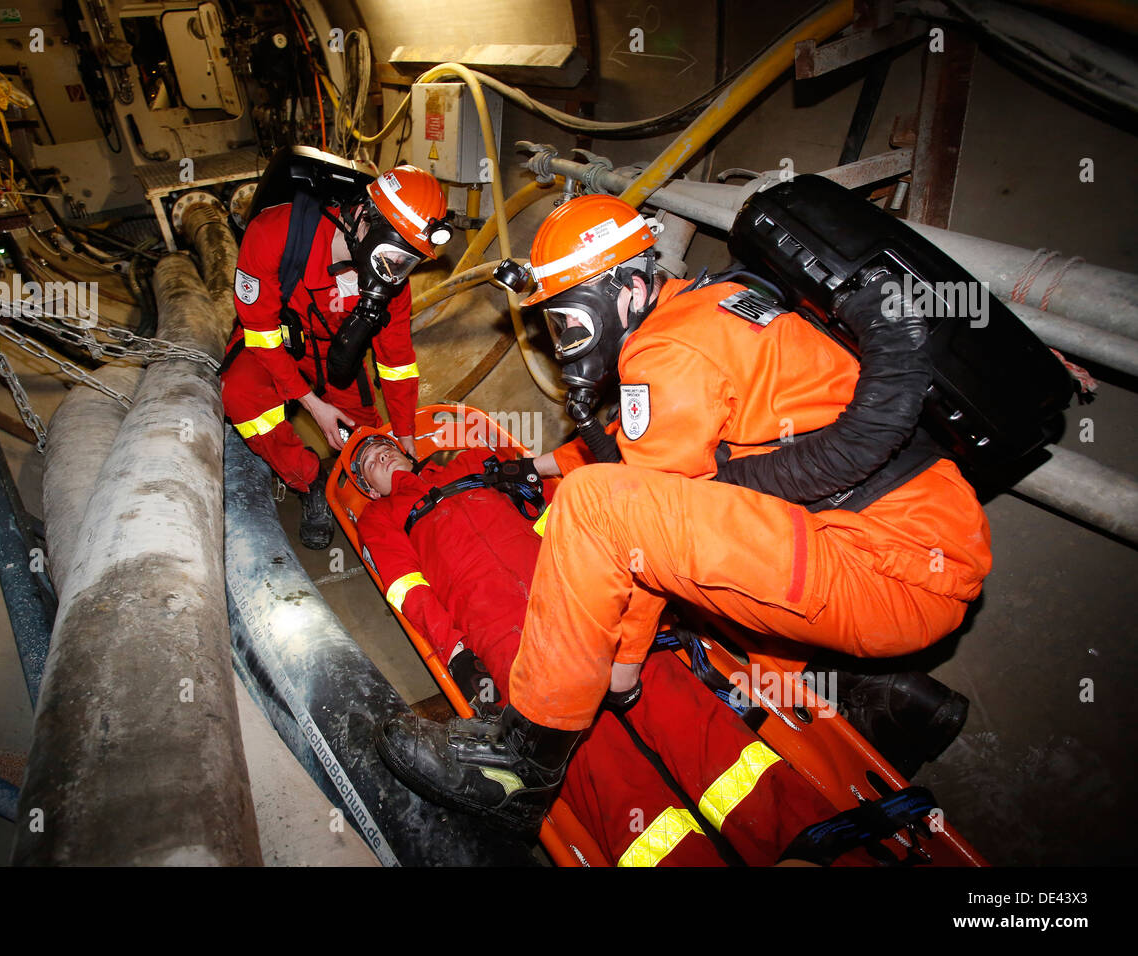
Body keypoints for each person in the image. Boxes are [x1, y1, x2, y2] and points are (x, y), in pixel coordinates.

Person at [375, 193, 992, 835]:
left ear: (629, 286)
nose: (565, 345)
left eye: (568, 321)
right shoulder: (705, 309)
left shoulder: (663, 351)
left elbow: (632, 509)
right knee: (672, 515)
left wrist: (624, 659)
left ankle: (522, 764)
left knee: (593, 508)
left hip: (886, 570)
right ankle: (840, 699)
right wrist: (536, 469)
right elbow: (647, 447)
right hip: (910, 548)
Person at [350, 429, 880, 866]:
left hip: (575, 587)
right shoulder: (381, 518)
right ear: (366, 488)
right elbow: (410, 591)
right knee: (595, 762)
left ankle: (814, 844)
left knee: (679, 706)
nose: (375, 449)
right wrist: (461, 656)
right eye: (363, 461)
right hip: (503, 632)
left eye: (383, 443)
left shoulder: (471, 459)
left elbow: (563, 501)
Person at [221, 164, 450, 549]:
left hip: (335, 352)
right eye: (392, 255)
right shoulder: (274, 233)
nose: (394, 273)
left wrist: (405, 433)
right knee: (242, 395)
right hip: (275, 339)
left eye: (407, 263)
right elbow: (260, 332)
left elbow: (396, 363)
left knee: (361, 442)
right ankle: (306, 479)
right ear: (362, 215)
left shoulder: (393, 285)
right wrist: (311, 404)